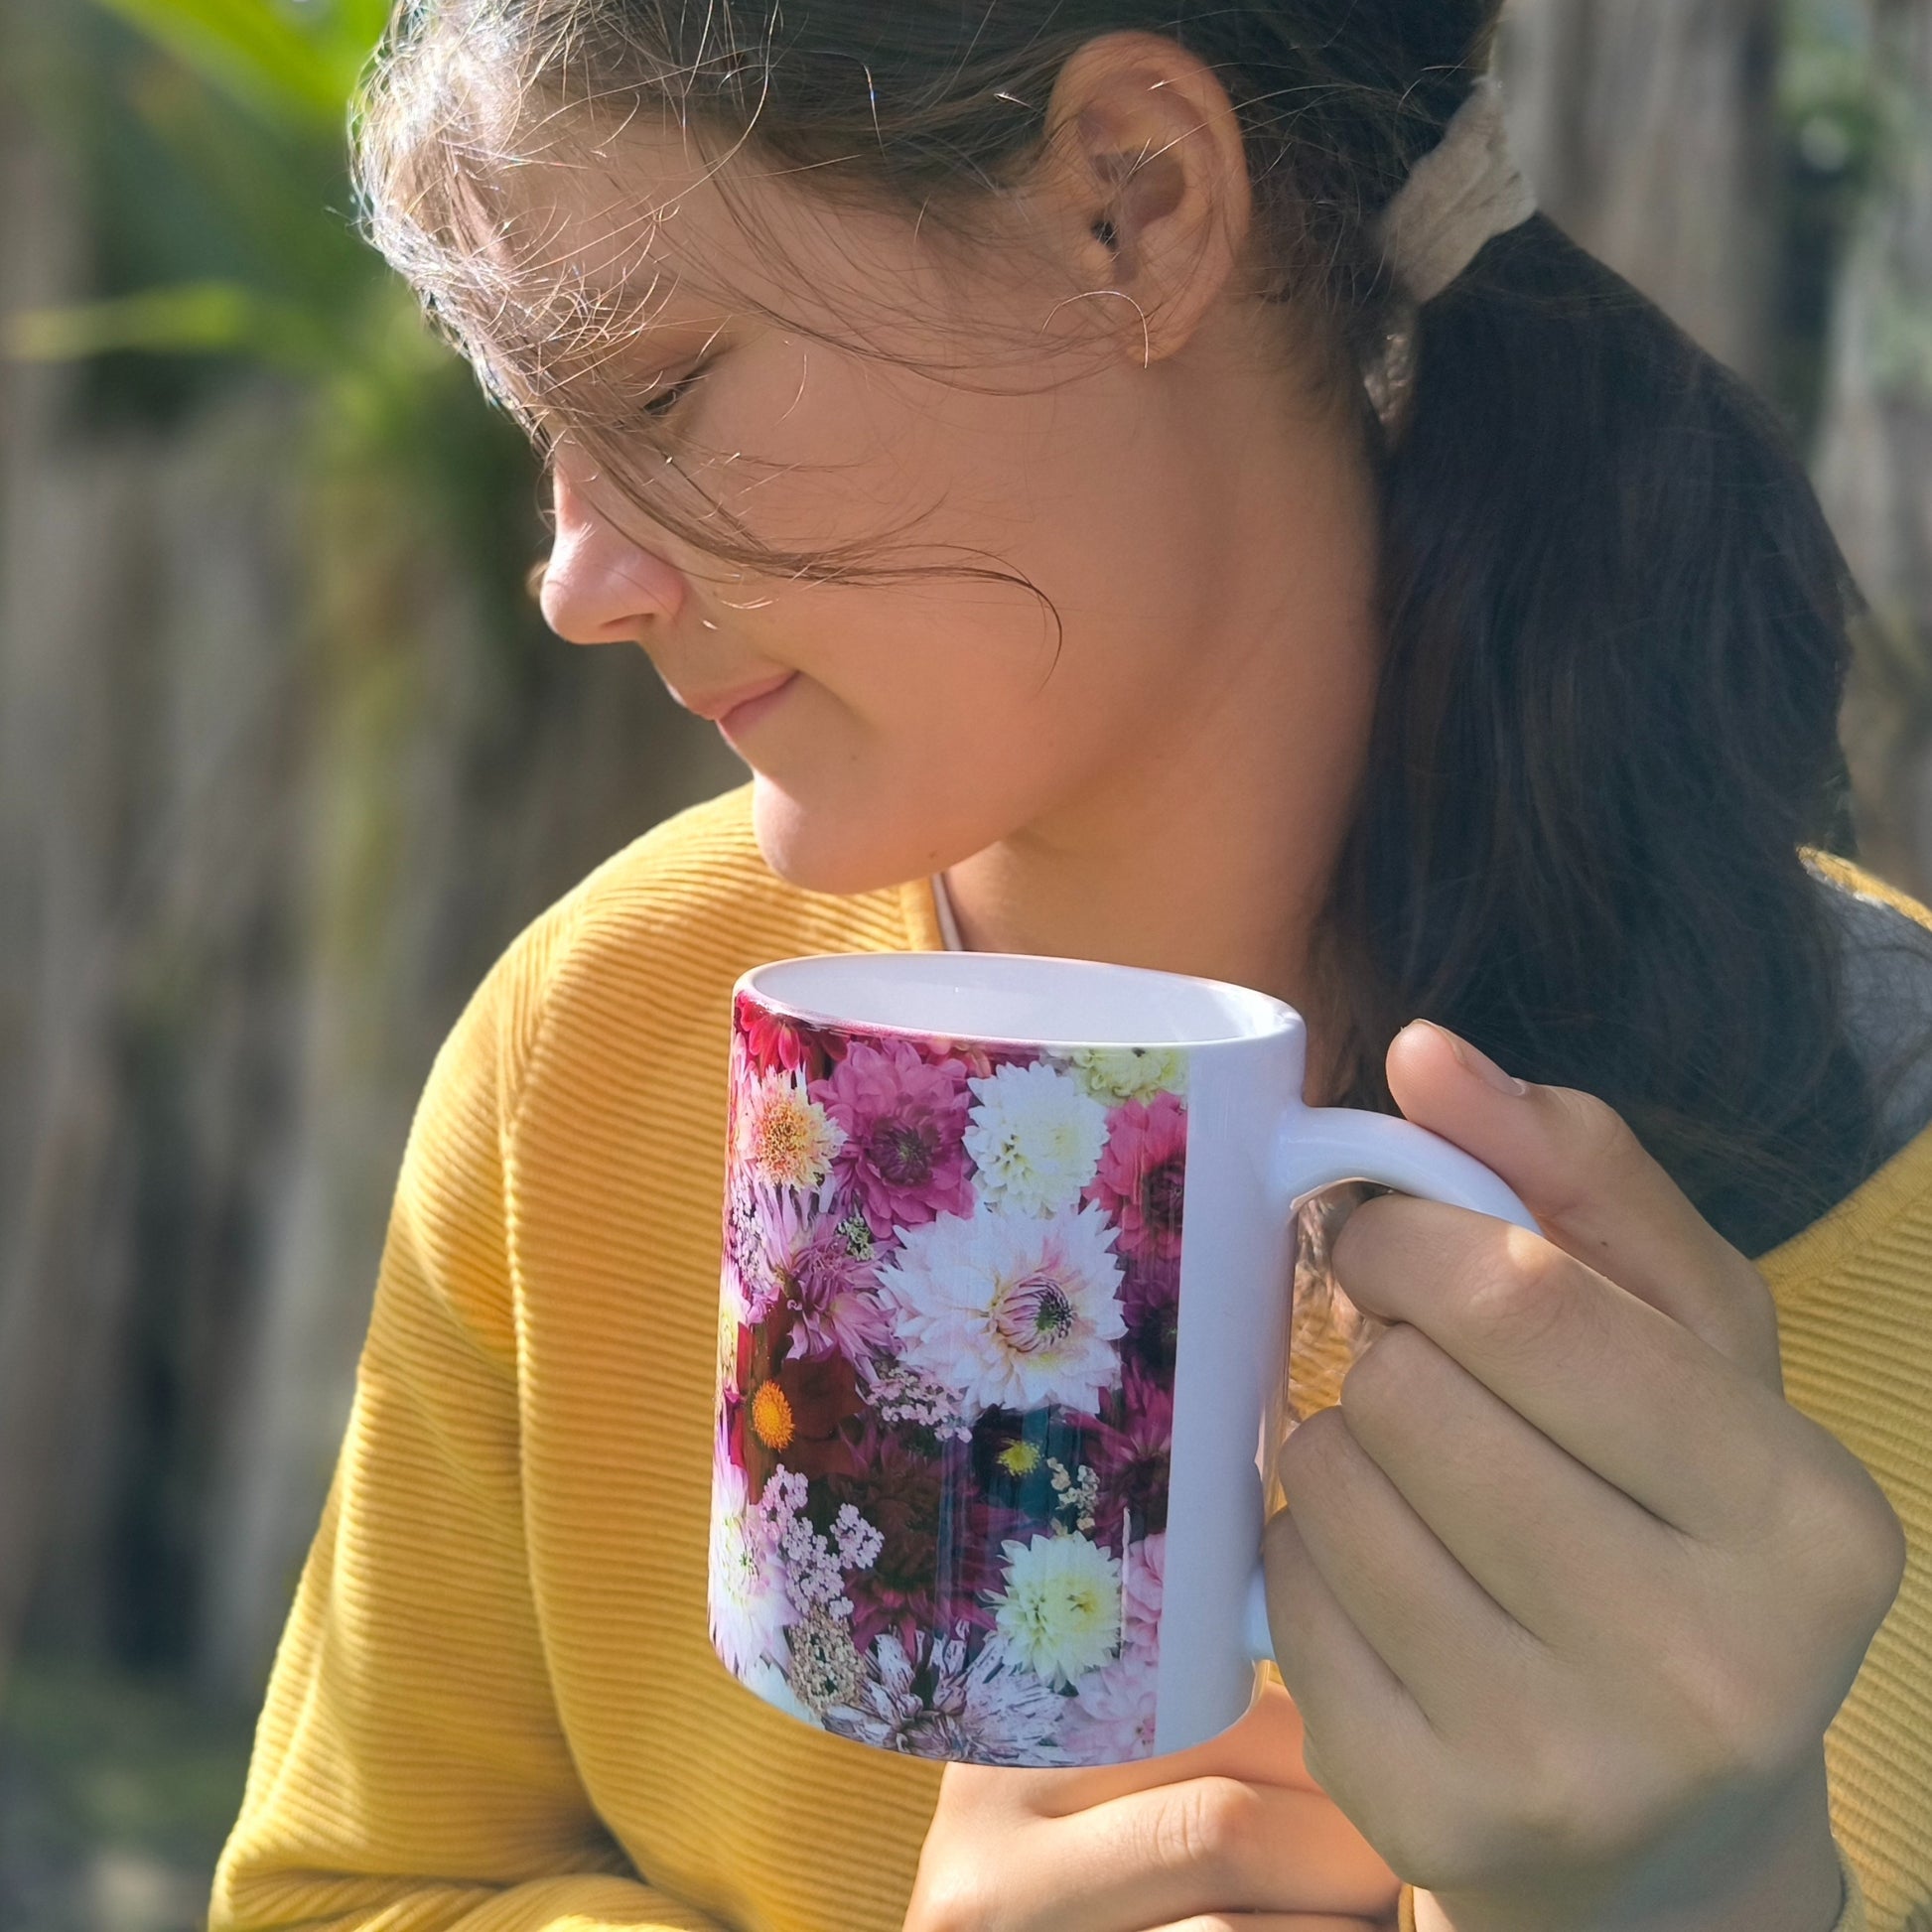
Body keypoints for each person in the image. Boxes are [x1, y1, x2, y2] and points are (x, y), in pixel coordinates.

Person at [209, 4, 1932, 1930]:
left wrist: (1721, 1895)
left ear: (1134, 204)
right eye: (541, 442)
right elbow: (359, 1888)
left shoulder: (1897, 1163)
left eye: (661, 390)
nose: (575, 577)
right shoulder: (596, 1032)